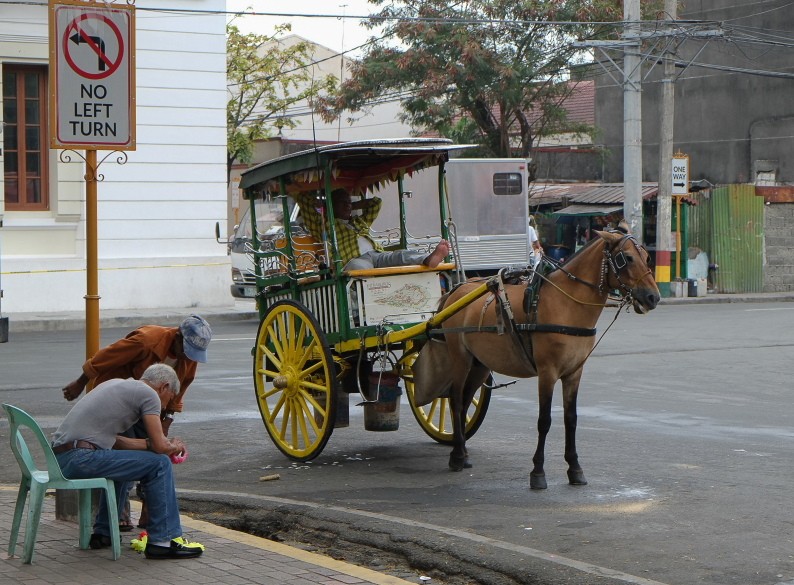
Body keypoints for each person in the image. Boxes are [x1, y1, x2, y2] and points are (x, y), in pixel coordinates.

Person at [61, 314, 212, 529]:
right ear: (177, 336)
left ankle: (138, 518)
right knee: (141, 460)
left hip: (149, 409)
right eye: (186, 349)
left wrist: (163, 428)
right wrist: (80, 382)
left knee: (141, 454)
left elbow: (179, 392)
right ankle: (124, 518)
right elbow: (105, 358)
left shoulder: (189, 360)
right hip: (122, 407)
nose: (188, 357)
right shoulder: (147, 340)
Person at [51, 363, 203, 560]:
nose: (165, 406)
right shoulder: (149, 395)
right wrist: (173, 446)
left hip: (63, 458)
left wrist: (151, 444)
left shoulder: (116, 385)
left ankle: (104, 533)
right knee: (160, 464)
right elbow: (160, 447)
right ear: (164, 387)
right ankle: (163, 542)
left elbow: (118, 443)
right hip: (82, 457)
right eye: (169, 399)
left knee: (126, 466)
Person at [296, 189, 450, 271]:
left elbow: (376, 203)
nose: (347, 205)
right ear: (331, 205)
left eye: (349, 202)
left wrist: (353, 206)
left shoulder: (358, 221)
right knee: (361, 269)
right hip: (354, 260)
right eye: (342, 203)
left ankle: (429, 259)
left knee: (402, 254)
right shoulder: (324, 224)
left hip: (377, 255)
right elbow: (303, 199)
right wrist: (323, 204)